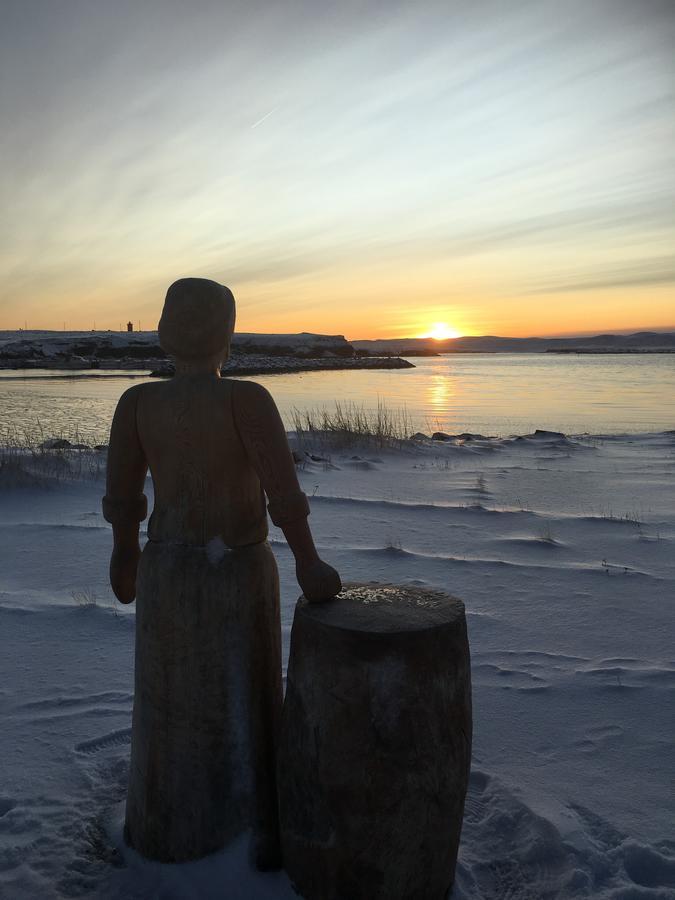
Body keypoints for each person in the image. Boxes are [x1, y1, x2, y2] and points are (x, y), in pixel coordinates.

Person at [102, 277, 341, 868]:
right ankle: (241, 831)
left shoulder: (137, 403)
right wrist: (309, 561)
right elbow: (283, 495)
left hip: (164, 571)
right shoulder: (246, 398)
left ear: (163, 331)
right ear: (227, 336)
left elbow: (122, 499)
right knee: (239, 704)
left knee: (171, 704)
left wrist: (126, 553)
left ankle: (169, 828)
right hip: (234, 574)